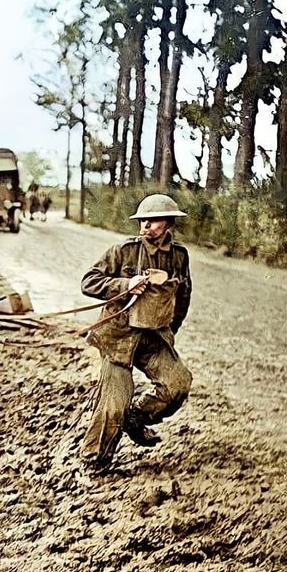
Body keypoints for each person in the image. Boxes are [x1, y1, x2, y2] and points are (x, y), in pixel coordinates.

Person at [79, 193, 193, 471]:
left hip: (153, 338)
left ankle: (137, 418)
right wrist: (124, 284)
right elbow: (88, 282)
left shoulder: (179, 257)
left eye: (153, 221)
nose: (145, 226)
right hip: (118, 338)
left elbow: (183, 296)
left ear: (168, 224)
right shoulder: (123, 251)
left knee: (178, 384)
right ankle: (95, 462)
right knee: (114, 405)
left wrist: (170, 332)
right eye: (143, 221)